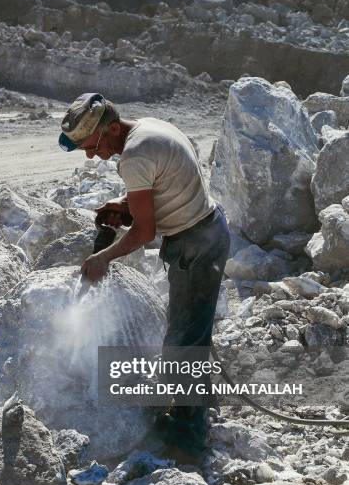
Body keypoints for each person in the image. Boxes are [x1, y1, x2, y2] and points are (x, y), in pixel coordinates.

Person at [59, 92, 230, 463]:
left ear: (113, 128)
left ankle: (188, 438)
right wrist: (125, 205)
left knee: (182, 341)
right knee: (189, 328)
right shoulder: (149, 128)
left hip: (196, 245)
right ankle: (201, 399)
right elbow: (165, 183)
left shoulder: (134, 156)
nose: (92, 155)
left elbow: (144, 234)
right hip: (205, 232)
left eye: (93, 146)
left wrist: (103, 258)